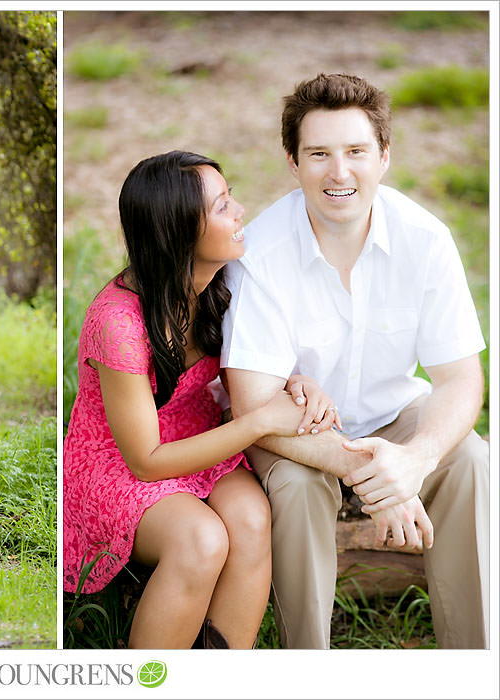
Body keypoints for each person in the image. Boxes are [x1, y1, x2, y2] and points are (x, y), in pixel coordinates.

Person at [221, 73, 488, 649]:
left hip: (395, 418)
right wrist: (381, 480)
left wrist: (415, 460)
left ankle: (472, 658)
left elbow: (461, 378)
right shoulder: (261, 255)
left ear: (384, 157)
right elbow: (252, 405)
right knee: (296, 485)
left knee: (471, 460)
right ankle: (308, 662)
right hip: (295, 432)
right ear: (293, 162)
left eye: (356, 152)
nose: (338, 173)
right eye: (319, 153)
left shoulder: (426, 239)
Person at [62, 151, 338, 649]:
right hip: (120, 462)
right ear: (178, 231)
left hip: (201, 435)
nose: (239, 212)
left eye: (230, 198)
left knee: (253, 520)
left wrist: (300, 381)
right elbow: (145, 462)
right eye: (222, 206)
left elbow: (264, 354)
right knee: (201, 540)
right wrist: (258, 423)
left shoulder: (228, 282)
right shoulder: (119, 322)